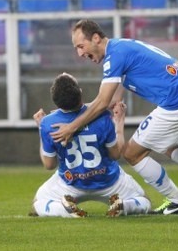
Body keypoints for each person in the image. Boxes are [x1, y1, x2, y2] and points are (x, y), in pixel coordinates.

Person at [51, 20, 178, 216]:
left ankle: (176, 200)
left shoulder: (114, 55)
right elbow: (110, 100)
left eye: (81, 47)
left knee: (133, 153)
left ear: (96, 38)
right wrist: (77, 111)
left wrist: (71, 127)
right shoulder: (121, 48)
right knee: (170, 146)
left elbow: (102, 101)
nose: (80, 54)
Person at [32, 73, 152, 218]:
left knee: (37, 203)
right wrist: (119, 123)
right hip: (109, 181)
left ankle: (63, 210)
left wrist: (40, 129)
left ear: (55, 100)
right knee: (144, 201)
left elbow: (49, 164)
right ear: (80, 92)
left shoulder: (48, 123)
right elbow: (115, 155)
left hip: (70, 183)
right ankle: (124, 205)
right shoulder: (102, 117)